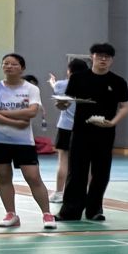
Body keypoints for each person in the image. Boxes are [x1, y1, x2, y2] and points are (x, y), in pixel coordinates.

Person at [57, 43, 128, 224]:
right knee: (76, 171)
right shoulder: (78, 78)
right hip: (81, 132)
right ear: (92, 57)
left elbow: (125, 106)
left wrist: (113, 122)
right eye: (99, 56)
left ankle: (94, 209)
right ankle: (70, 210)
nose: (103, 59)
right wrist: (61, 104)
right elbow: (67, 101)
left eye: (107, 57)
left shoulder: (118, 82)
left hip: (105, 133)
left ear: (112, 60)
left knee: (101, 172)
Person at [0, 52, 53, 229]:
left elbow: (32, 111)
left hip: (23, 142)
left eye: (13, 64)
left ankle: (47, 215)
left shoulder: (31, 89)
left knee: (33, 177)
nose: (9, 67)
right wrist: (15, 122)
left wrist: (2, 113)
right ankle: (11, 214)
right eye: (5, 63)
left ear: (22, 68)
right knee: (4, 178)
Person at [50, 55, 80, 198]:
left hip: (65, 127)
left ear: (69, 71)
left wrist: (52, 82)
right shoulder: (89, 85)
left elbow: (56, 87)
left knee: (63, 160)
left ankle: (59, 193)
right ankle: (87, 194)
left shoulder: (61, 85)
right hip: (83, 128)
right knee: (86, 163)